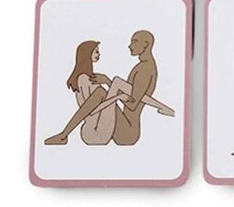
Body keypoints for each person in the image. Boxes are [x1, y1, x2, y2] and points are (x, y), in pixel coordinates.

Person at [43, 34, 174, 147]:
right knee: (109, 88)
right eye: (96, 52)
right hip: (94, 131)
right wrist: (116, 95)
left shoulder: (144, 68)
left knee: (113, 85)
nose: (99, 55)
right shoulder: (83, 78)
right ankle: (63, 135)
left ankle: (64, 134)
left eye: (134, 42)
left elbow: (133, 100)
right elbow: (90, 111)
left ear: (146, 45)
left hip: (107, 130)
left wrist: (110, 85)